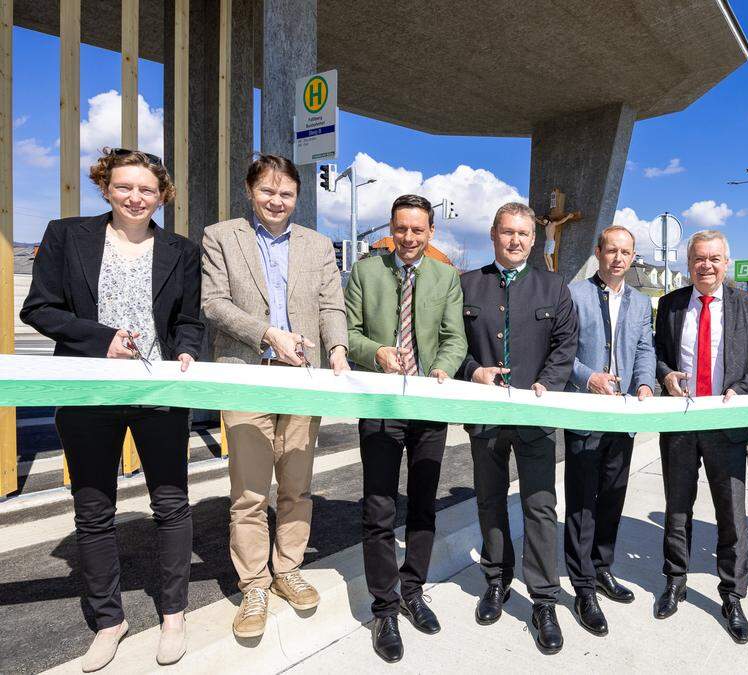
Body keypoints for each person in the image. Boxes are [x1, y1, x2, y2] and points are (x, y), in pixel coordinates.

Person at [21, 148, 203, 670]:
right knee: (94, 509)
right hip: (89, 388)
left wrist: (187, 348)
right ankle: (109, 620)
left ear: (161, 194)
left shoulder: (181, 250)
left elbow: (189, 319)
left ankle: (173, 613)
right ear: (105, 186)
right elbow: (39, 308)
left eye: (146, 189)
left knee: (171, 504)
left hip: (157, 392)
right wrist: (101, 340)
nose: (135, 197)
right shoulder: (67, 235)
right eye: (124, 186)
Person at [200, 155, 349, 639]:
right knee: (247, 492)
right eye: (267, 191)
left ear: (297, 197)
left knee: (297, 484)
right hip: (247, 375)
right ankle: (254, 585)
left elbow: (331, 305)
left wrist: (340, 352)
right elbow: (213, 303)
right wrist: (268, 334)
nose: (276, 201)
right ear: (249, 191)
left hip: (304, 378)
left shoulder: (319, 245)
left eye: (286, 194)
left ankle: (287, 567)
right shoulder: (221, 236)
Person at [343, 194, 467, 663]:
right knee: (377, 508)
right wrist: (375, 352)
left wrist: (443, 369)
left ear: (430, 231)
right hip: (380, 404)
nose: (409, 238)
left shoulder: (445, 276)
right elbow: (348, 332)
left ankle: (413, 591)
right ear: (391, 230)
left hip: (429, 407)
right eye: (401, 229)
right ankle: (385, 607)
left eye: (418, 230)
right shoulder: (365, 271)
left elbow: (455, 337)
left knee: (422, 505)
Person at [457, 202, 578, 654]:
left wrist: (548, 382)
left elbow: (566, 343)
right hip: (486, 418)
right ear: (493, 234)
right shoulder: (468, 284)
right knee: (489, 501)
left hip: (535, 418)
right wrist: (473, 370)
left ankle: (544, 599)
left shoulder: (554, 286)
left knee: (540, 507)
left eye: (524, 234)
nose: (515, 241)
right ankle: (496, 581)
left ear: (534, 238)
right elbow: (452, 342)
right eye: (508, 232)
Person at [652, 230, 748, 644]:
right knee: (677, 509)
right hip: (682, 425)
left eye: (714, 258)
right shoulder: (670, 305)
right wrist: (666, 374)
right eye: (698, 259)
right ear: (689, 264)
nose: (706, 265)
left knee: (731, 514)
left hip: (726, 427)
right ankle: (675, 580)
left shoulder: (747, 305)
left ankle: (732, 593)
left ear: (727, 262)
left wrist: (740, 390)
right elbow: (657, 354)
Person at [563, 225, 655, 636]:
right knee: (582, 501)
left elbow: (644, 349)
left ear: (633, 257)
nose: (618, 258)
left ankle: (602, 568)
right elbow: (560, 353)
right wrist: (589, 378)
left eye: (626, 252)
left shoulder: (640, 302)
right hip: (586, 411)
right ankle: (583, 587)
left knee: (612, 498)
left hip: (624, 417)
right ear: (598, 252)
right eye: (611, 250)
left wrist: (645, 383)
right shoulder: (574, 293)